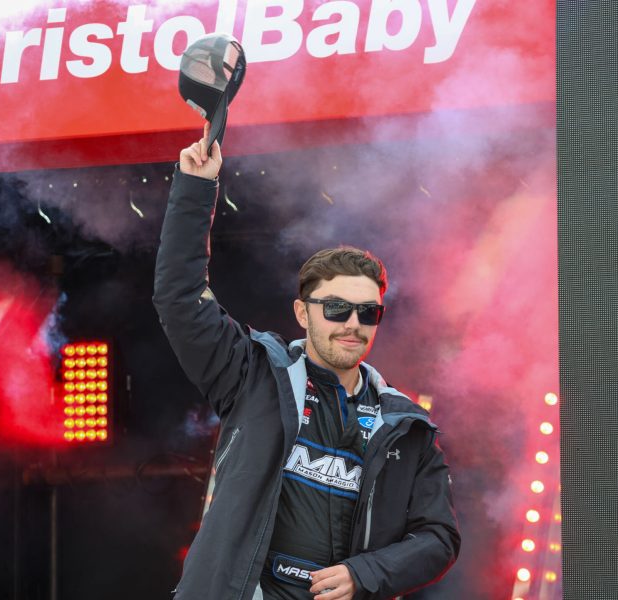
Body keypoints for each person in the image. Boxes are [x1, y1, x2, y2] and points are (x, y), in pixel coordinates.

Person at [154, 125, 460, 600]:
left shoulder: (407, 427)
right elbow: (179, 300)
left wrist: (365, 573)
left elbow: (439, 538)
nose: (353, 323)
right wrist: (196, 189)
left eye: (368, 312)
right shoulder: (254, 374)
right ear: (303, 312)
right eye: (336, 308)